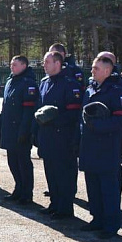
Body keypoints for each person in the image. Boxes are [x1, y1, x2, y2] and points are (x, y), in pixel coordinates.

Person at [79, 56, 122, 239]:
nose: (92, 71)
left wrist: (98, 126)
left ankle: (111, 224)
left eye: (96, 68)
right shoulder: (91, 87)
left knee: (108, 187)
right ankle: (97, 219)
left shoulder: (117, 90)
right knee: (92, 184)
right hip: (90, 144)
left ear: (107, 71)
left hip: (107, 146)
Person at [34, 51, 82, 219]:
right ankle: (54, 203)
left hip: (63, 136)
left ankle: (65, 208)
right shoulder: (44, 82)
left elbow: (74, 113)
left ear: (57, 64)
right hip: (47, 135)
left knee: (64, 173)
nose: (44, 65)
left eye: (47, 62)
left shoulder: (70, 84)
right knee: (51, 171)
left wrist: (53, 118)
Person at [0, 56, 38, 204]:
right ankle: (18, 188)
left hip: (21, 130)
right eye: (11, 64)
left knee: (23, 162)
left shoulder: (28, 83)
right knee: (12, 161)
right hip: (9, 129)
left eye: (15, 64)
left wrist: (24, 131)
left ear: (24, 65)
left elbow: (29, 111)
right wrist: (0, 125)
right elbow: (5, 106)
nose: (11, 67)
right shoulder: (10, 81)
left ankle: (27, 193)